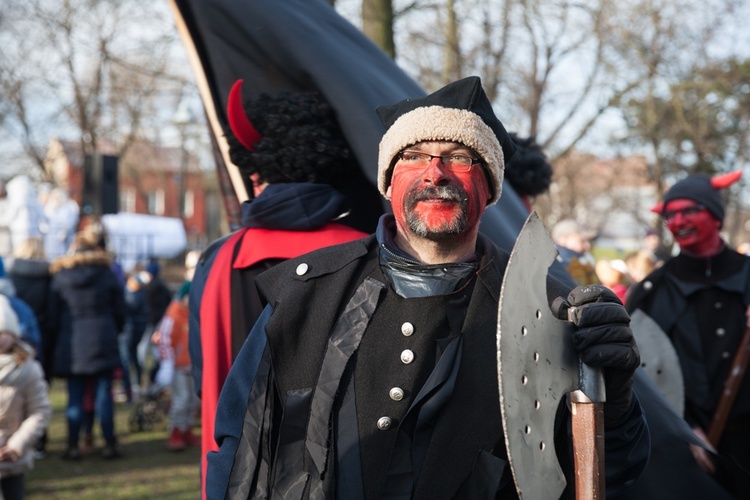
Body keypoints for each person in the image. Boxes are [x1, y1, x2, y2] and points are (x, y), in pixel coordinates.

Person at [206, 76, 649, 498]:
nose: (434, 173)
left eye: (459, 156)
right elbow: (238, 449)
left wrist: (614, 397)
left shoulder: (547, 310)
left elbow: (607, 472)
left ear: (489, 184)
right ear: (388, 180)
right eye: (413, 156)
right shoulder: (308, 294)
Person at [188, 83, 369, 490]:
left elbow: (203, 378)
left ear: (255, 173)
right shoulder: (367, 252)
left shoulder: (217, 258)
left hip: (239, 476)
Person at [626, 171, 750, 497]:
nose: (678, 220)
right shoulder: (652, 291)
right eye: (670, 214)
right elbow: (639, 374)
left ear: (716, 216)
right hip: (684, 450)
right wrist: (683, 429)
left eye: (689, 210)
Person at [49, 228, 126, 460]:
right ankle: (109, 444)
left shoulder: (60, 277)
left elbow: (53, 315)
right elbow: (121, 310)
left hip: (72, 342)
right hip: (103, 338)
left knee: (74, 396)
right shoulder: (106, 274)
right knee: (104, 395)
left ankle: (73, 445)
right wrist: (114, 330)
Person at [6, 237, 54, 458]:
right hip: (34, 341)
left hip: (13, 340)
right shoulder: (49, 277)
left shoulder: (12, 279)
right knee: (36, 396)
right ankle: (37, 442)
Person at [0, 295, 51, 499]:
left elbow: (40, 410)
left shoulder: (28, 369)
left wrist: (16, 445)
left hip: (12, 457)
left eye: (4, 331)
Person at [152, 281, 198, 451]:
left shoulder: (193, 314)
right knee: (181, 400)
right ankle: (176, 431)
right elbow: (163, 339)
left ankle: (186, 429)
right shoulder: (173, 315)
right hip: (178, 367)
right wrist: (167, 363)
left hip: (192, 365)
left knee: (192, 401)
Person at [119, 271, 149, 402]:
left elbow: (125, 309)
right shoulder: (141, 296)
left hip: (129, 332)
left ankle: (128, 388)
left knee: (126, 360)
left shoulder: (133, 296)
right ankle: (136, 383)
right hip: (135, 331)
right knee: (133, 357)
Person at [141, 260, 172, 387]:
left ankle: (150, 378)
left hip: (152, 323)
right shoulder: (163, 287)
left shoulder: (148, 288)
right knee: (156, 353)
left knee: (145, 352)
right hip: (160, 323)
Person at [551, 218, 599, 286]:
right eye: (582, 241)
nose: (587, 246)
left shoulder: (579, 262)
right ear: (564, 238)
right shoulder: (560, 264)